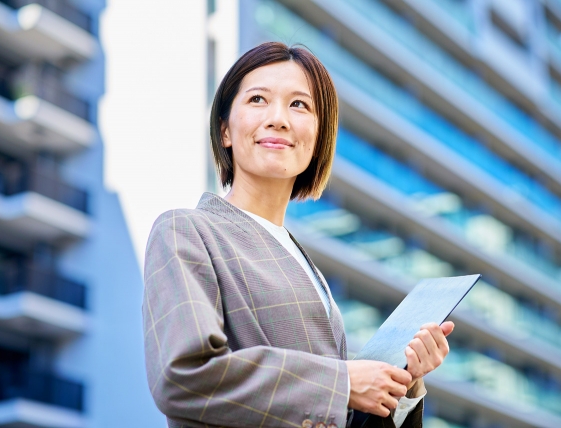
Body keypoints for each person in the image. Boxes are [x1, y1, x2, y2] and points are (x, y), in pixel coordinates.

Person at [143, 42, 454, 428]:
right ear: (225, 130)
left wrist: (402, 386)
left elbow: (331, 412)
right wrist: (341, 383)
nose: (278, 119)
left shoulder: (307, 266)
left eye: (299, 105)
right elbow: (183, 375)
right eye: (258, 99)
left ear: (319, 136)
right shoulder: (185, 231)